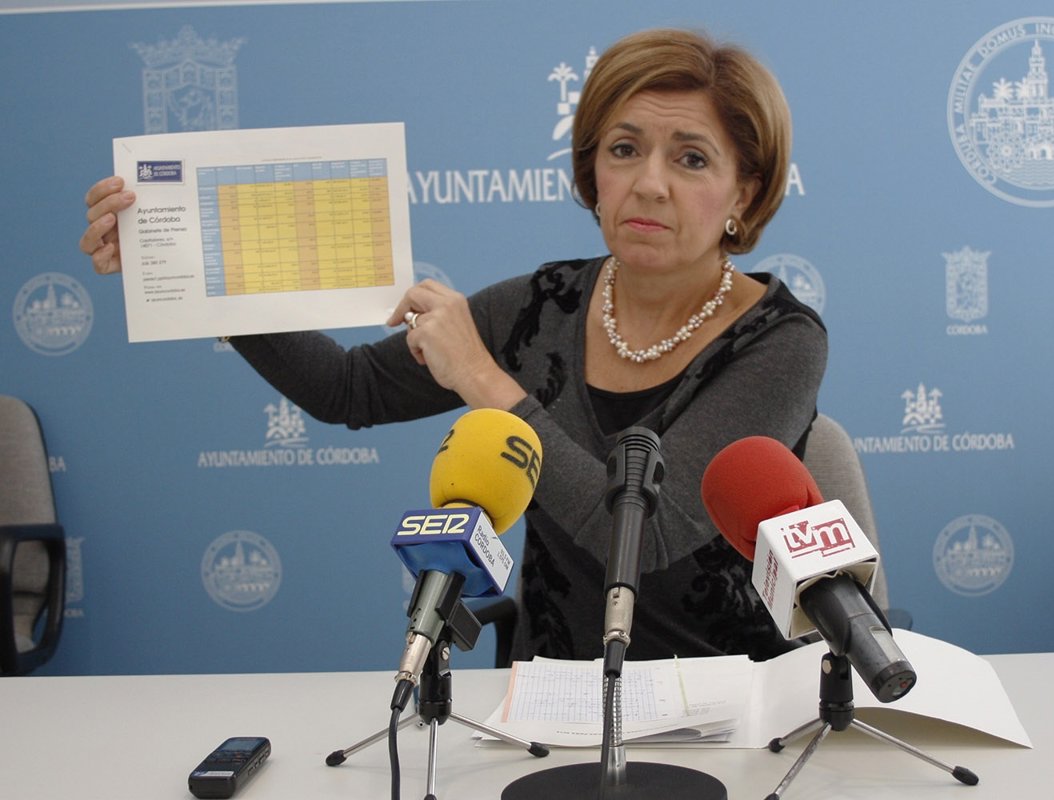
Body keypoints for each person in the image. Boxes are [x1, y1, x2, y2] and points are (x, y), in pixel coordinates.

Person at [79, 28, 827, 663]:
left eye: (691, 159)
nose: (650, 184)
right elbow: (348, 389)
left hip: (733, 702)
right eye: (625, 149)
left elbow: (641, 533)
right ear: (593, 172)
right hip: (549, 694)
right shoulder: (541, 307)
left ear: (744, 192)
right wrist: (198, 271)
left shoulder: (780, 340)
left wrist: (480, 377)